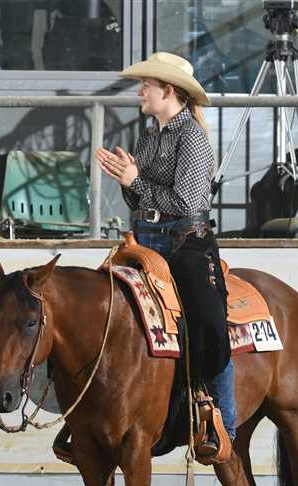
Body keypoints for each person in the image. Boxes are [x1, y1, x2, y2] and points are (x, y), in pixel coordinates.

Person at [94, 51, 236, 461]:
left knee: (208, 322)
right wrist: (128, 180)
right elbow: (141, 197)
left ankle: (222, 422)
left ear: (168, 91)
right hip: (146, 237)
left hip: (185, 241)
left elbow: (187, 202)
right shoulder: (149, 135)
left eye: (147, 85)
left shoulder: (191, 136)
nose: (140, 91)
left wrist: (136, 180)